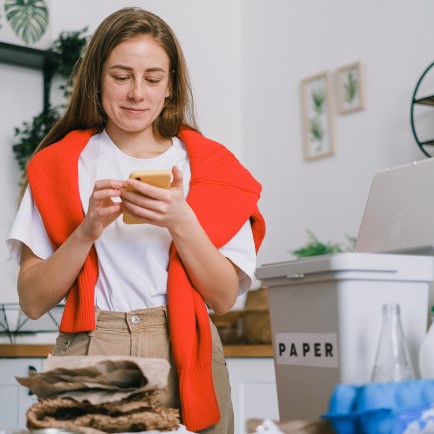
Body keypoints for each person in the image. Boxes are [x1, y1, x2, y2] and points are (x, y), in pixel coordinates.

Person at [6, 7, 265, 434]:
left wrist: (182, 222)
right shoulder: (58, 166)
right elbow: (32, 301)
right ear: (97, 80)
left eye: (152, 78)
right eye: (121, 76)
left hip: (185, 350)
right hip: (92, 346)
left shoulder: (213, 170)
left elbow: (221, 298)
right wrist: (86, 231)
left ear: (171, 88)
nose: (136, 94)